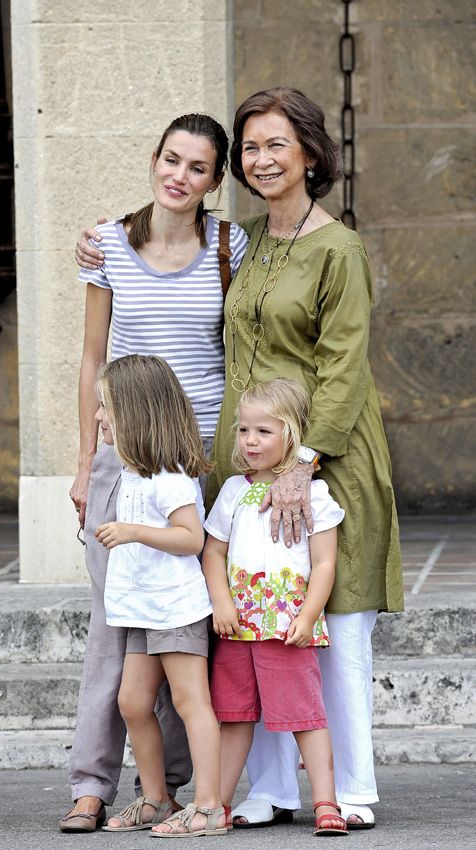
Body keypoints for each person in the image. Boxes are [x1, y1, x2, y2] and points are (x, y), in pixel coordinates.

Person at [75, 87, 404, 831]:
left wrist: (305, 459)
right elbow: (157, 240)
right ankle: (270, 787)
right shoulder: (249, 240)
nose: (261, 159)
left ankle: (347, 788)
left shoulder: (338, 247)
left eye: (276, 145)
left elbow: (346, 365)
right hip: (249, 464)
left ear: (311, 155)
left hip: (324, 458)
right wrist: (94, 244)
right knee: (253, 624)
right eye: (251, 146)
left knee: (334, 623)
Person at [60, 113, 248, 832]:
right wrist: (85, 462)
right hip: (123, 460)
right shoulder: (108, 244)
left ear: (214, 181)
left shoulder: (231, 245)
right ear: (154, 159)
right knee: (117, 626)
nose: (180, 176)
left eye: (197, 168)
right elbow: (90, 358)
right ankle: (90, 784)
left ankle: (169, 787)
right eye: (171, 160)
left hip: (201, 465)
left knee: (188, 634)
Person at [203, 377, 347, 837]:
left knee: (306, 715)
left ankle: (326, 804)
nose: (250, 441)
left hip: (286, 625)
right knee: (233, 715)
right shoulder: (231, 492)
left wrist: (307, 616)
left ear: (292, 432)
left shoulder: (315, 495)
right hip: (237, 625)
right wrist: (221, 602)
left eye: (264, 431)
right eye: (244, 430)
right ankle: (216, 805)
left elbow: (324, 563)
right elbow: (213, 554)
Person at [93, 355, 226, 837]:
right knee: (132, 702)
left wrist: (134, 532)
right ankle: (155, 799)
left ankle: (209, 807)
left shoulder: (169, 477)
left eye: (105, 407)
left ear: (135, 412)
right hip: (142, 610)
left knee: (192, 704)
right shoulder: (130, 472)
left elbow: (191, 538)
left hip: (175, 607)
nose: (98, 417)